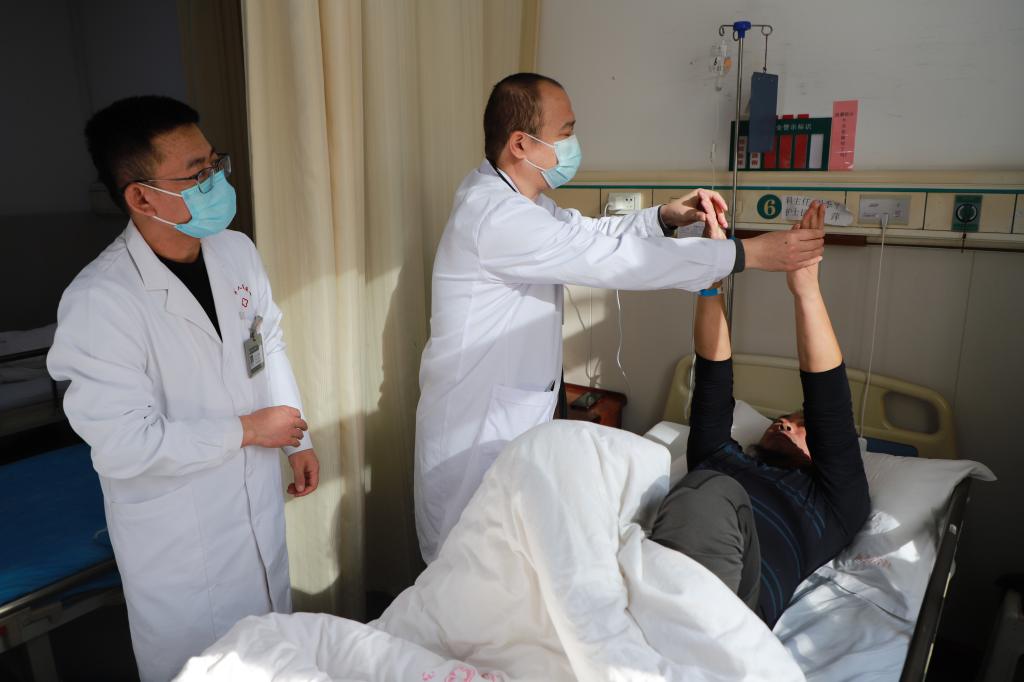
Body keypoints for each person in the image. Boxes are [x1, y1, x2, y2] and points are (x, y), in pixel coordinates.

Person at [414, 72, 827, 562]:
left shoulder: (525, 204)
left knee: (499, 559)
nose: (574, 143)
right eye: (566, 132)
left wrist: (664, 217)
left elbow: (590, 234)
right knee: (464, 560)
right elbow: (614, 260)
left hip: (509, 418)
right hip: (475, 431)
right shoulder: (496, 217)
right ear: (521, 144)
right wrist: (746, 254)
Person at [47, 96, 319, 681]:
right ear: (141, 197)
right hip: (181, 542)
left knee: (276, 655)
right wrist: (249, 431)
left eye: (215, 164)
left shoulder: (235, 251)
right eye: (197, 174)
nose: (216, 182)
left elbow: (267, 341)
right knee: (200, 668)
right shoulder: (100, 301)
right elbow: (125, 445)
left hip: (254, 499)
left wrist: (297, 437)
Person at [648, 202, 871, 628]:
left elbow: (828, 401)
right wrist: (710, 279)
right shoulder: (718, 455)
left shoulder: (836, 502)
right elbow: (712, 378)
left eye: (802, 427)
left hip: (730, 613)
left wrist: (806, 291)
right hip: (652, 578)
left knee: (709, 490)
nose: (786, 423)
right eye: (784, 419)